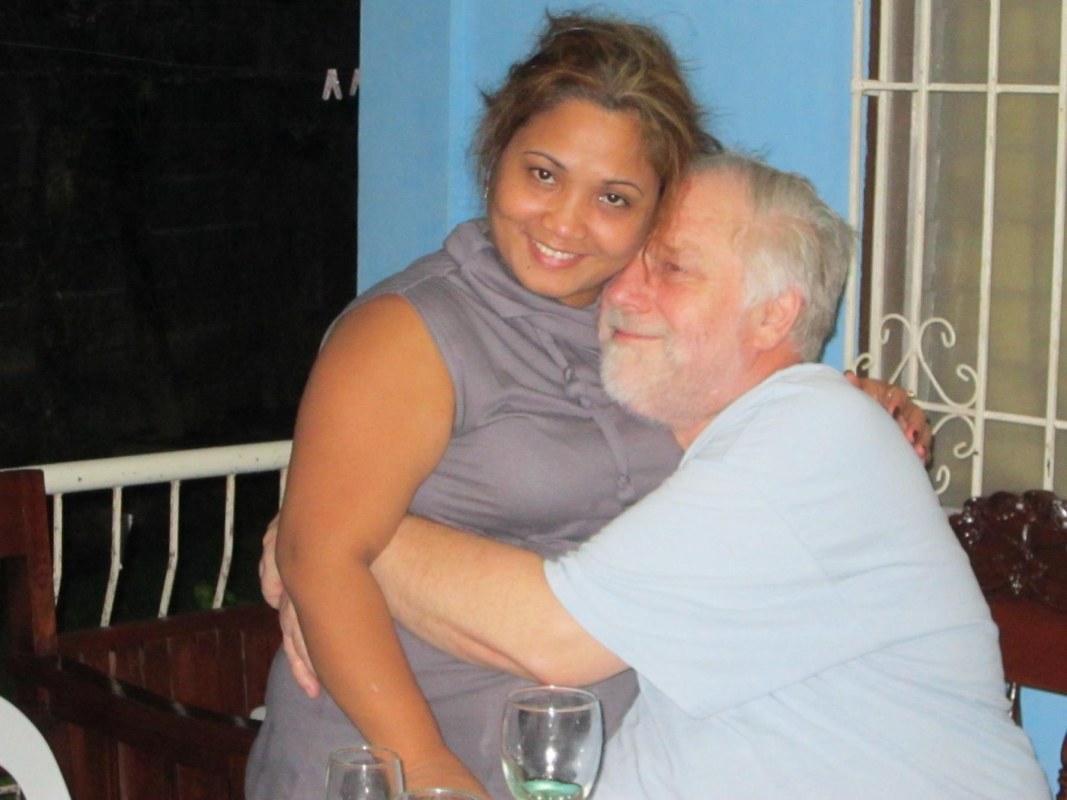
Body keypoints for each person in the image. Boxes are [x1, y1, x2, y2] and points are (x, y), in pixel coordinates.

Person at [246, 12, 931, 799]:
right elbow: (322, 556)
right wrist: (426, 768)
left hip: (584, 774)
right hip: (394, 761)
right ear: (496, 154)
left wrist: (843, 401)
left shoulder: (647, 333)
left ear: (656, 210)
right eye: (542, 174)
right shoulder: (410, 331)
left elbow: (741, 422)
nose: (565, 222)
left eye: (613, 197)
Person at [360, 153, 1051, 798]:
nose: (622, 291)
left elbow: (551, 637)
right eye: (631, 260)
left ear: (774, 314)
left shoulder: (812, 433)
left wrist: (338, 535)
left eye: (671, 268)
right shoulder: (710, 442)